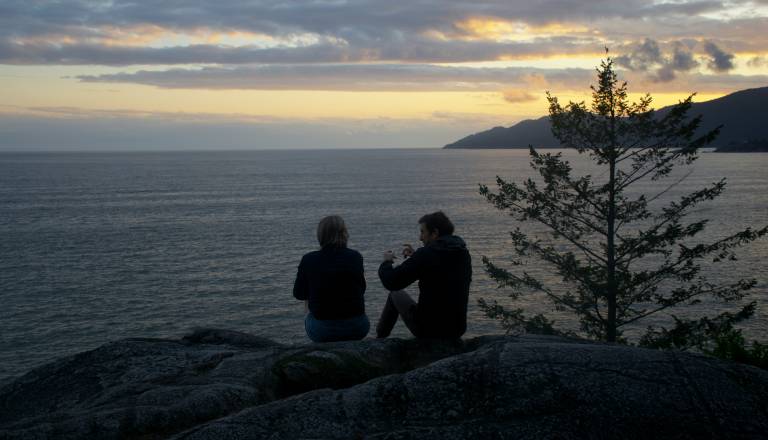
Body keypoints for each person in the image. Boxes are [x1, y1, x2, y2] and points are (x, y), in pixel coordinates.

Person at [376, 211, 472, 339]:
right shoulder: (463, 253)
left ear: (435, 233)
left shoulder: (426, 255)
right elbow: (439, 267)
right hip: (457, 329)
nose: (420, 238)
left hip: (429, 330)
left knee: (395, 294)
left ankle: (380, 340)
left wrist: (386, 262)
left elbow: (392, 281)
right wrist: (416, 256)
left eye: (422, 232)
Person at [293, 215, 370, 342]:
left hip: (323, 332)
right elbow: (362, 289)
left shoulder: (309, 259)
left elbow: (299, 294)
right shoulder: (355, 257)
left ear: (320, 235)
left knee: (308, 306)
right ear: (344, 234)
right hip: (358, 328)